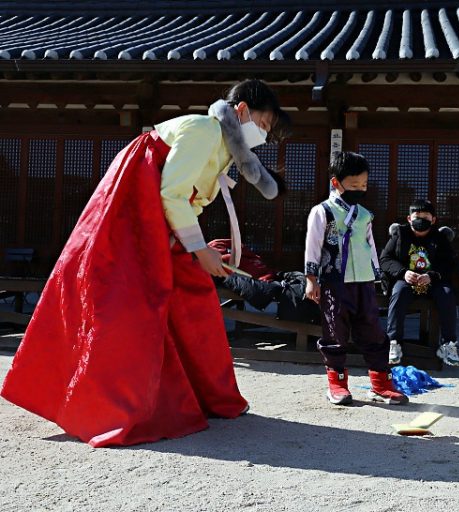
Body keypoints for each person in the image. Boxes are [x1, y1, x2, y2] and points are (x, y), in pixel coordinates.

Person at [1, 79, 291, 447]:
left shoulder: (223, 147)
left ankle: (213, 397)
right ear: (243, 110)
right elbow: (171, 191)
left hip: (159, 222)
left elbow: (187, 199)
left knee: (194, 297)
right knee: (128, 308)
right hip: (132, 215)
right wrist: (199, 248)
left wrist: (194, 247)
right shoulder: (205, 129)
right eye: (263, 124)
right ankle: (115, 406)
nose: (262, 134)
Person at [304, 151, 408, 406]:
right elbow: (313, 245)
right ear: (336, 182)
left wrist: (376, 274)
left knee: (372, 330)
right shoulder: (322, 211)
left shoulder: (364, 214)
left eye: (363, 185)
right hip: (334, 281)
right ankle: (337, 384)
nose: (360, 189)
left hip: (362, 281)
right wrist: (311, 279)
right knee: (335, 332)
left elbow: (370, 244)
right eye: (354, 185)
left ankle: (380, 384)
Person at [380, 199, 459, 367]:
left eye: (426, 216)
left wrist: (432, 275)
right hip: (407, 280)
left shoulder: (440, 237)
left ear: (433, 220)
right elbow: (385, 259)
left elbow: (450, 264)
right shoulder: (400, 234)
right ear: (409, 218)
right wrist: (403, 272)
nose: (421, 219)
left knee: (446, 294)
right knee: (399, 293)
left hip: (433, 282)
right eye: (417, 216)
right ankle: (394, 342)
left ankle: (448, 345)